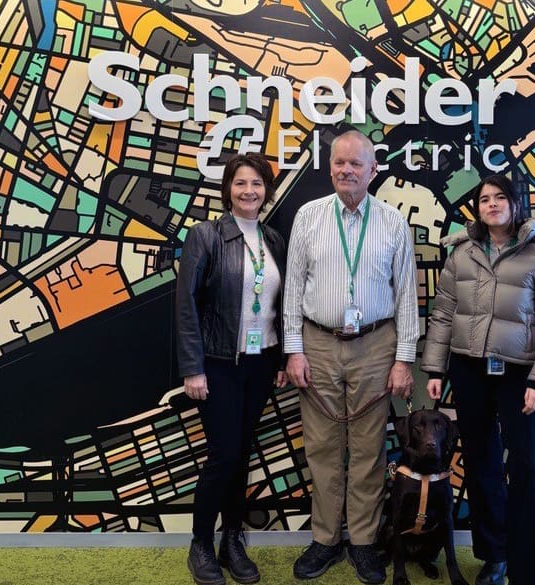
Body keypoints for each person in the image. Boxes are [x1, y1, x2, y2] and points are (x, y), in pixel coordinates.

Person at [421, 174, 535, 585]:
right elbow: (443, 313)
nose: (491, 204)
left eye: (499, 198)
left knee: (525, 467)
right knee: (480, 462)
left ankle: (527, 569)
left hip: (520, 374)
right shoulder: (462, 253)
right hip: (469, 369)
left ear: (515, 203)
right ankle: (494, 555)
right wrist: (435, 369)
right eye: (484, 199)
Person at [283, 130, 419, 584]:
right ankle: (325, 540)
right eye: (340, 163)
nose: (346, 170)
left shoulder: (394, 222)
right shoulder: (308, 217)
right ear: (330, 167)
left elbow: (406, 296)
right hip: (317, 343)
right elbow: (291, 290)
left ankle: (362, 543)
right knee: (321, 448)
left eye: (356, 164)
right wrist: (293, 350)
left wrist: (403, 359)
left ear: (373, 170)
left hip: (375, 344)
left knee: (368, 450)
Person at [176, 153, 286, 585]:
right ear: (228, 190)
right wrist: (193, 368)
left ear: (266, 191)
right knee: (223, 455)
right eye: (240, 183)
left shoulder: (274, 240)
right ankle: (201, 542)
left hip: (260, 365)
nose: (249, 191)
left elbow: (279, 307)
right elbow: (186, 305)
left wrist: (279, 360)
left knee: (241, 455)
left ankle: (232, 540)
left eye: (257, 184)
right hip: (218, 364)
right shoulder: (205, 236)